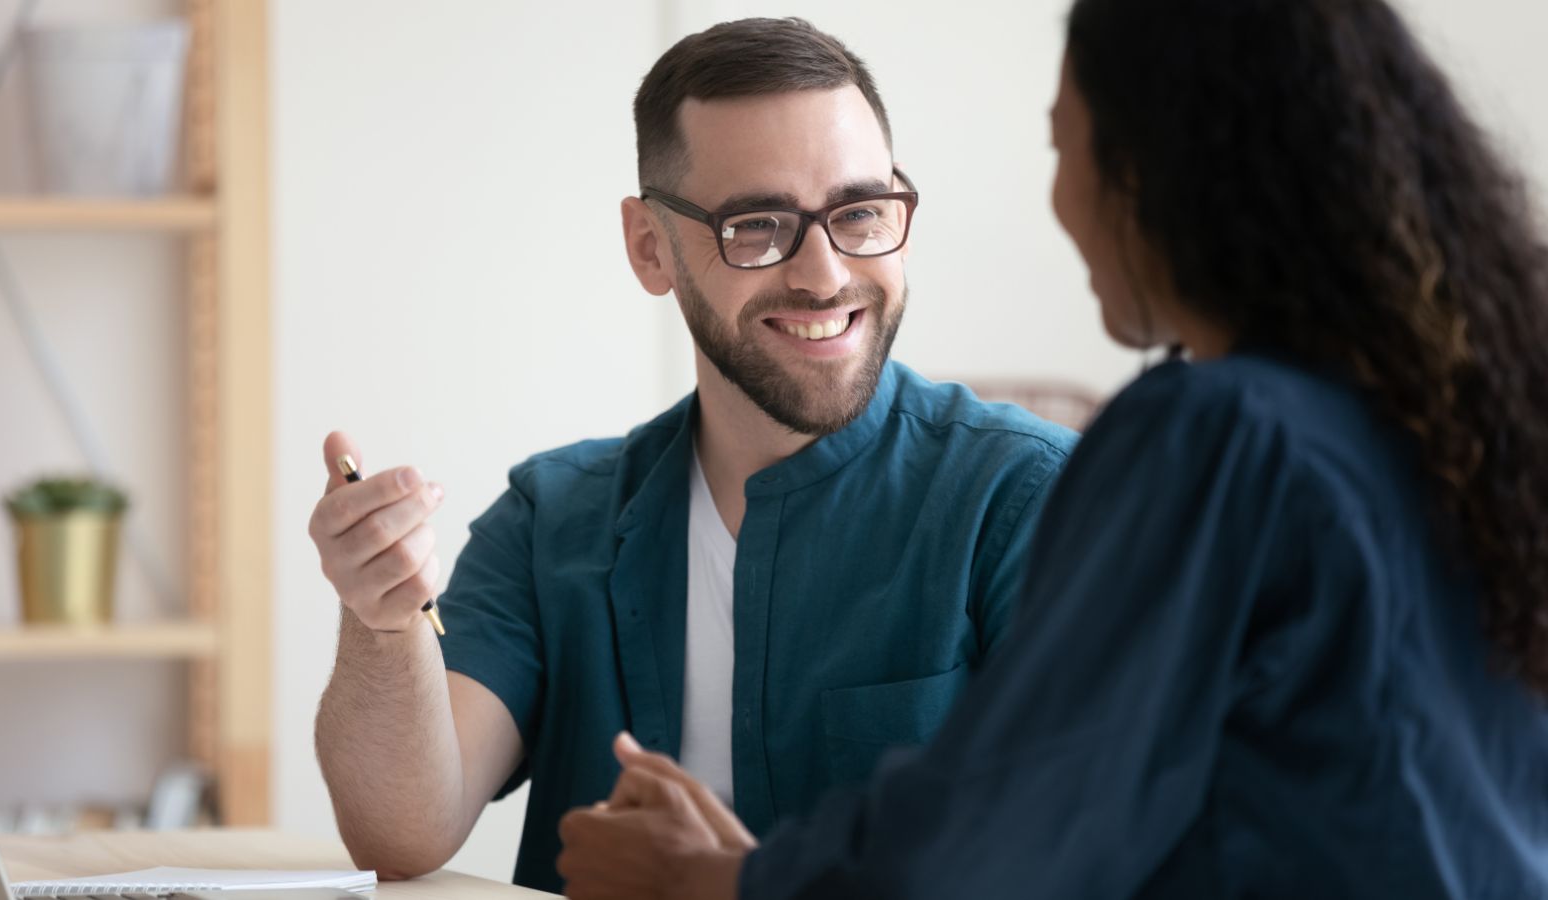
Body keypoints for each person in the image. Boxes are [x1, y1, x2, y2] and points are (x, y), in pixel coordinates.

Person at [553, 0, 1548, 896]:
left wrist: (716, 880)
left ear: (1157, 172)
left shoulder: (1216, 437)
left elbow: (1004, 839)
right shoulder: (1462, 420)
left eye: (1062, 148)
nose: (1060, 205)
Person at [307, 17, 1075, 894]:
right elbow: (402, 834)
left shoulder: (1038, 498)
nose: (824, 275)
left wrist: (731, 883)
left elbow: (1084, 858)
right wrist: (380, 619)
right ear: (650, 248)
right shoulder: (551, 517)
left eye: (860, 213)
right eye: (758, 226)